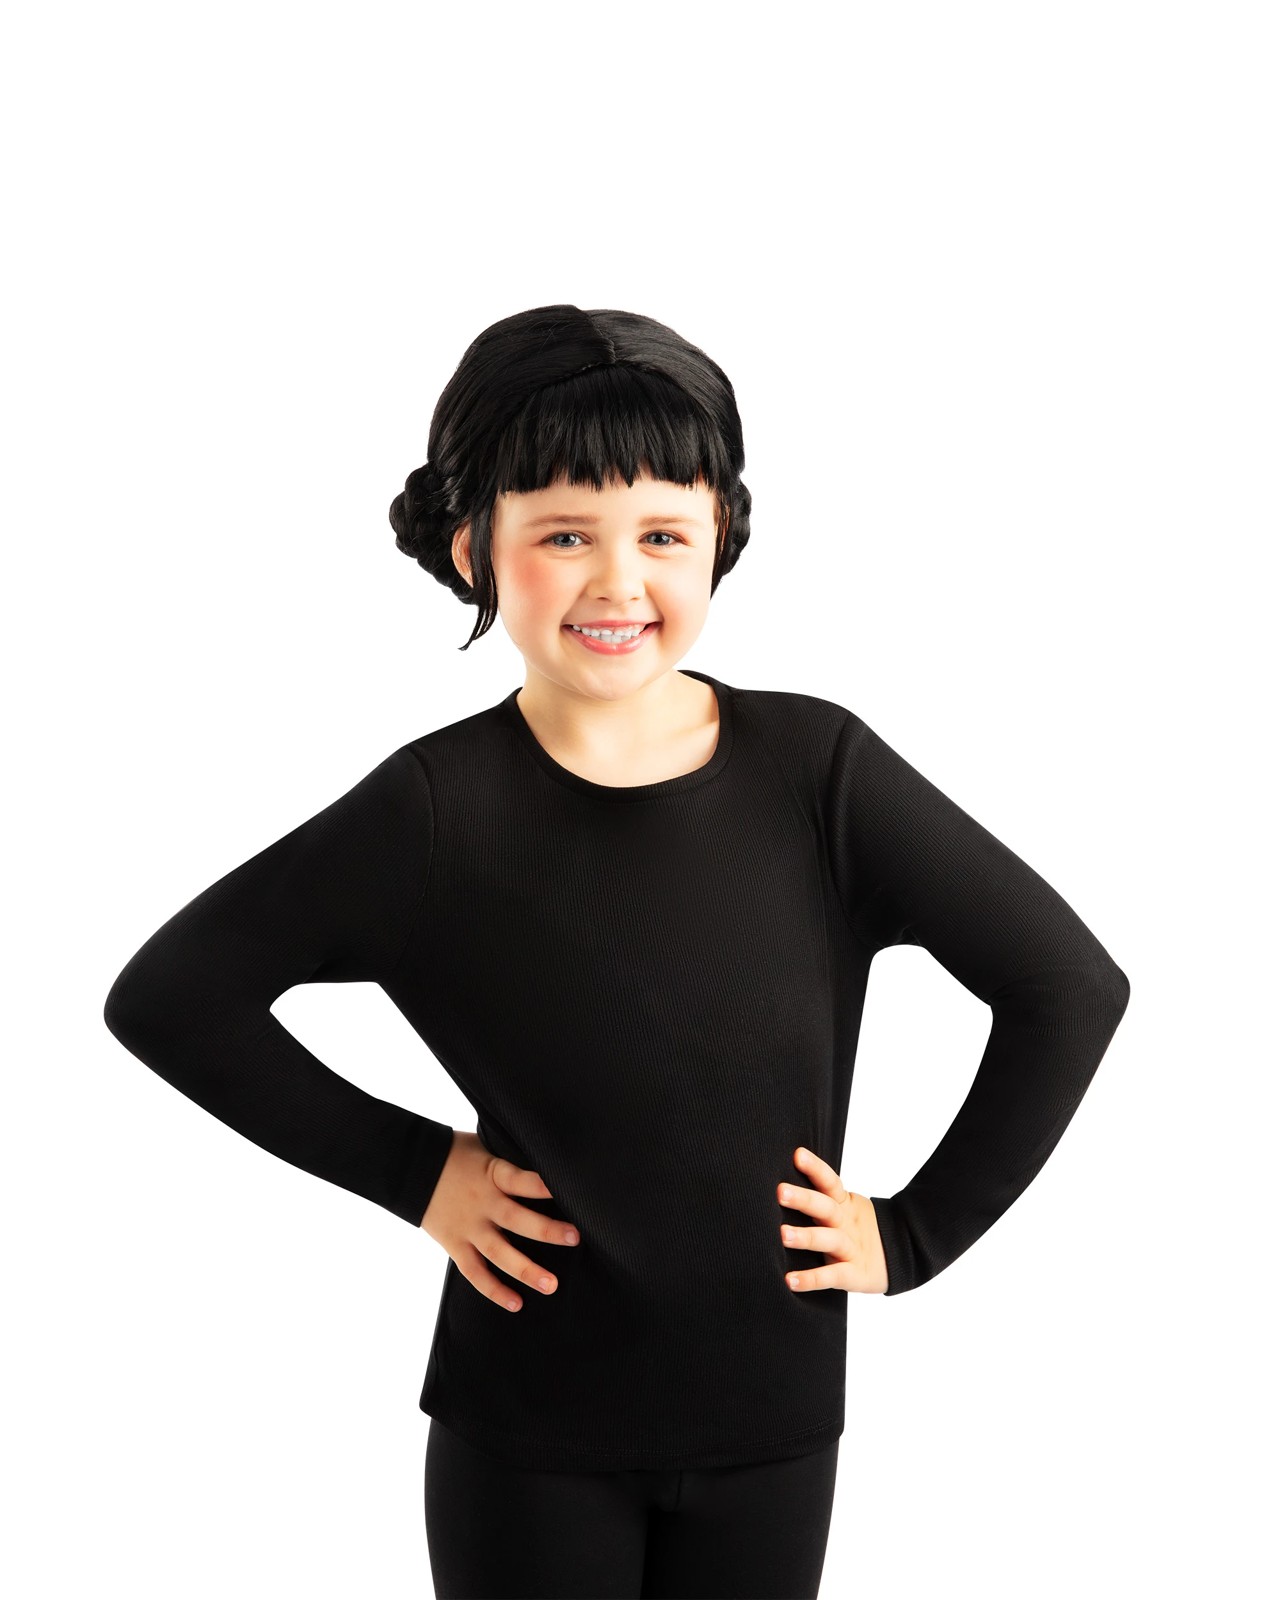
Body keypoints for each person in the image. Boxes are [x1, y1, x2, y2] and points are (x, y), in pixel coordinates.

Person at [102, 303, 1130, 1600]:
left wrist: (915, 1235)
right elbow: (173, 998)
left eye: (661, 535)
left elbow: (1067, 988)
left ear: (721, 541)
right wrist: (418, 1173)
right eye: (564, 534)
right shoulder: (435, 811)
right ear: (474, 546)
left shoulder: (819, 774)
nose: (617, 582)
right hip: (525, 1434)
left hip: (773, 1426)